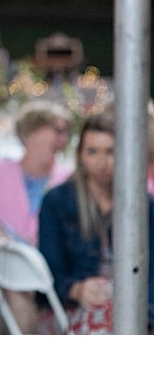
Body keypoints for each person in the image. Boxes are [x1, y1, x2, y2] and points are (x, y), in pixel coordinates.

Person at [0, 99, 73, 333]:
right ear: (30, 133)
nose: (62, 138)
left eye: (66, 132)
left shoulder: (66, 180)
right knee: (16, 283)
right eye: (56, 130)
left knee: (24, 282)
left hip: (48, 268)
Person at [39, 111, 154, 334]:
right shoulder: (57, 201)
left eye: (110, 151)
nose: (102, 162)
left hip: (135, 307)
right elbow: (49, 273)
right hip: (71, 308)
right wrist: (77, 290)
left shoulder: (143, 205)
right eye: (92, 151)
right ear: (80, 155)